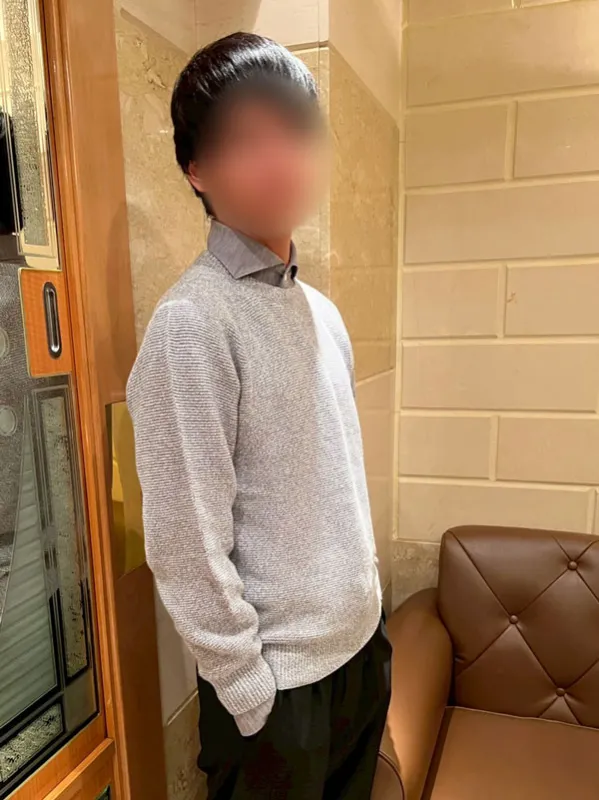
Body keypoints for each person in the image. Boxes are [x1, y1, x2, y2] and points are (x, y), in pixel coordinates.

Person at [127, 32, 391, 800]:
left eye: (294, 132)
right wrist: (248, 691)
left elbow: (333, 485)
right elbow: (184, 540)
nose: (279, 159)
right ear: (197, 170)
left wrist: (369, 617)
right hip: (278, 694)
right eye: (246, 139)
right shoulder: (192, 322)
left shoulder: (320, 312)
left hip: (359, 655)